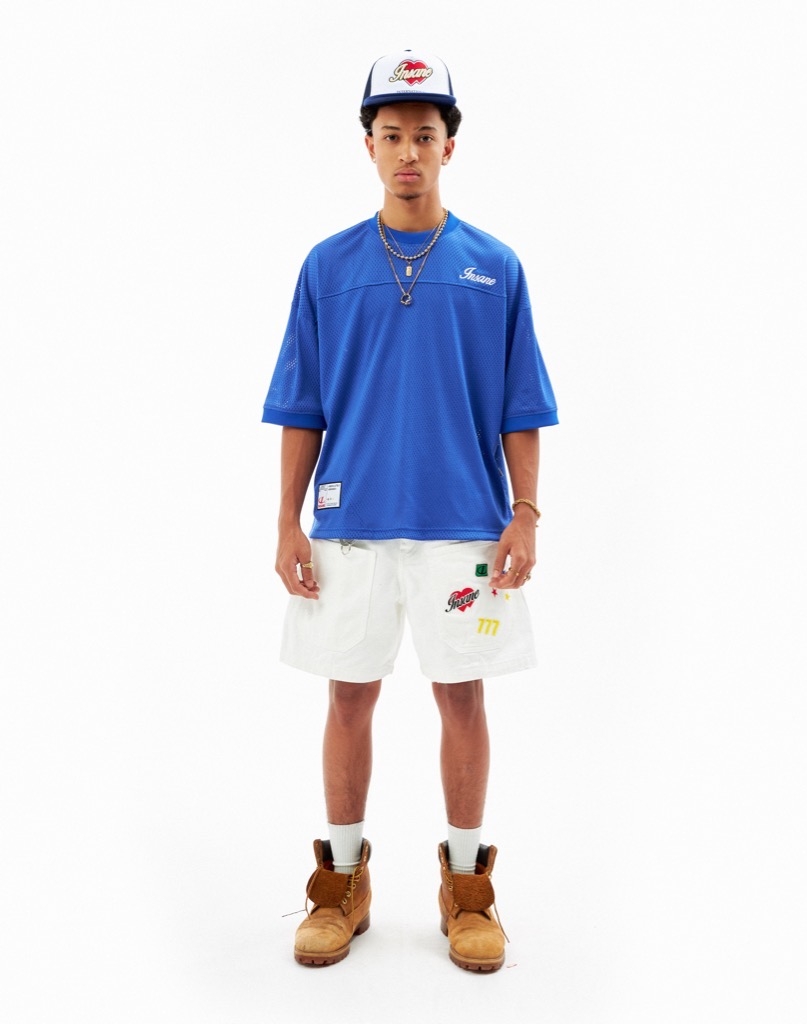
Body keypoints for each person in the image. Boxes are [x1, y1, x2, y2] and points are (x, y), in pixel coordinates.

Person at [261, 49, 558, 972]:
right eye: (391, 135)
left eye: (425, 135)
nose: (407, 152)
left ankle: (467, 886)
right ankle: (342, 880)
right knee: (348, 694)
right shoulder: (328, 267)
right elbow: (302, 405)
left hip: (464, 527)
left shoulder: (494, 268)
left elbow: (520, 405)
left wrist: (525, 513)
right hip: (350, 524)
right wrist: (286, 520)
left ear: (449, 147)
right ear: (369, 145)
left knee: (460, 694)